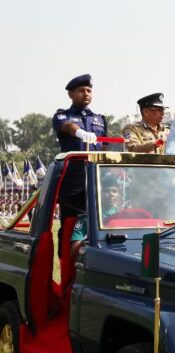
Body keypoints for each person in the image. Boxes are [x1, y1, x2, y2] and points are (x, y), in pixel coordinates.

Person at [52, 74, 108, 250]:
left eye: (89, 90)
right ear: (71, 94)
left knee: (98, 219)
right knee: (71, 221)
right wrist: (80, 133)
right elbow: (68, 127)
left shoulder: (100, 119)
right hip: (73, 176)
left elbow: (104, 146)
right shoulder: (62, 115)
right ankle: (66, 263)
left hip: (96, 174)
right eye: (81, 90)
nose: (86, 93)